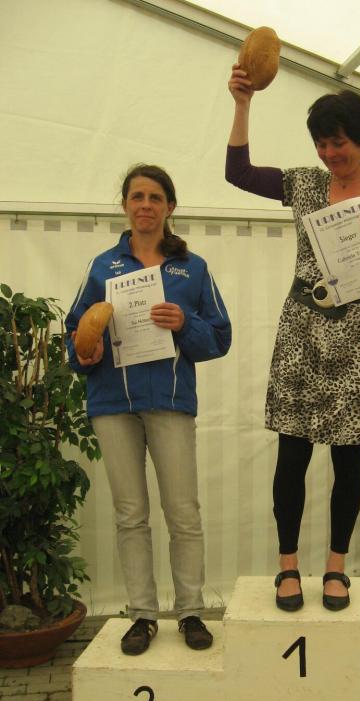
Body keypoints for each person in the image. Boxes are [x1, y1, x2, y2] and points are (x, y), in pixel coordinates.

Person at [226, 67, 360, 612]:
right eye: (321, 142)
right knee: (291, 456)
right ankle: (287, 567)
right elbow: (238, 173)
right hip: (303, 327)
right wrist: (243, 104)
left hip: (359, 331)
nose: (329, 153)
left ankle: (337, 568)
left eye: (338, 142)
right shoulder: (305, 184)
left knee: (348, 461)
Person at [66, 164, 231, 655]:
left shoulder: (192, 268)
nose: (145, 205)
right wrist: (84, 353)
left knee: (183, 512)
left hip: (170, 401)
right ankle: (142, 615)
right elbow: (75, 335)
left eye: (155, 197)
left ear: (169, 207)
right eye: (137, 196)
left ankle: (191, 611)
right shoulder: (102, 267)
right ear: (125, 205)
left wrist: (184, 323)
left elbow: (219, 338)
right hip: (112, 403)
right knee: (130, 514)